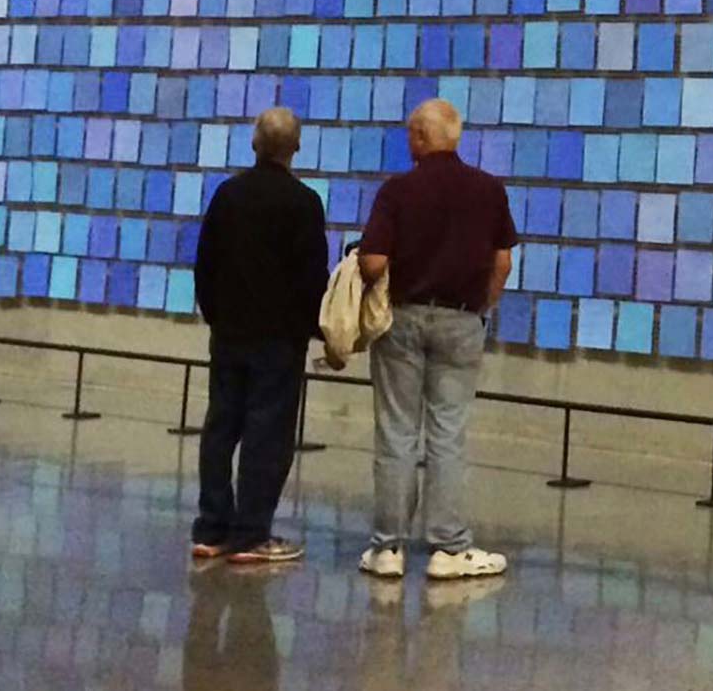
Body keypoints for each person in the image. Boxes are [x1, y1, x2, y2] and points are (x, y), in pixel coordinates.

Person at [357, 98, 514, 580]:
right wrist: (480, 308)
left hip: (402, 319)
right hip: (461, 319)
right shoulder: (489, 189)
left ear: (420, 138)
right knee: (447, 434)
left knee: (397, 432)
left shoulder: (397, 191)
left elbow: (374, 262)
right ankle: (449, 549)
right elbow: (503, 261)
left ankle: (388, 549)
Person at [190, 107, 329, 565]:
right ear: (296, 148)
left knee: (221, 427)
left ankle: (211, 527)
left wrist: (216, 316)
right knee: (267, 435)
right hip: (278, 339)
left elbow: (205, 264)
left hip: (229, 331)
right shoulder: (304, 202)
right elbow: (312, 277)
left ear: (254, 143)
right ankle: (251, 533)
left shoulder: (227, 195)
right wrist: (315, 330)